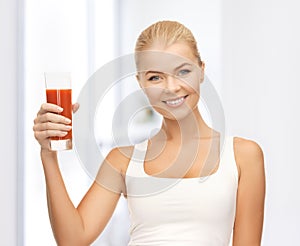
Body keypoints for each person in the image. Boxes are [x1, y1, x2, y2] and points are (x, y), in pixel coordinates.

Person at [33, 20, 265, 245]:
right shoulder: (123, 161)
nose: (171, 87)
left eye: (183, 71)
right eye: (155, 77)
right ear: (141, 83)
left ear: (201, 70)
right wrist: (48, 154)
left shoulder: (242, 156)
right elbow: (73, 239)